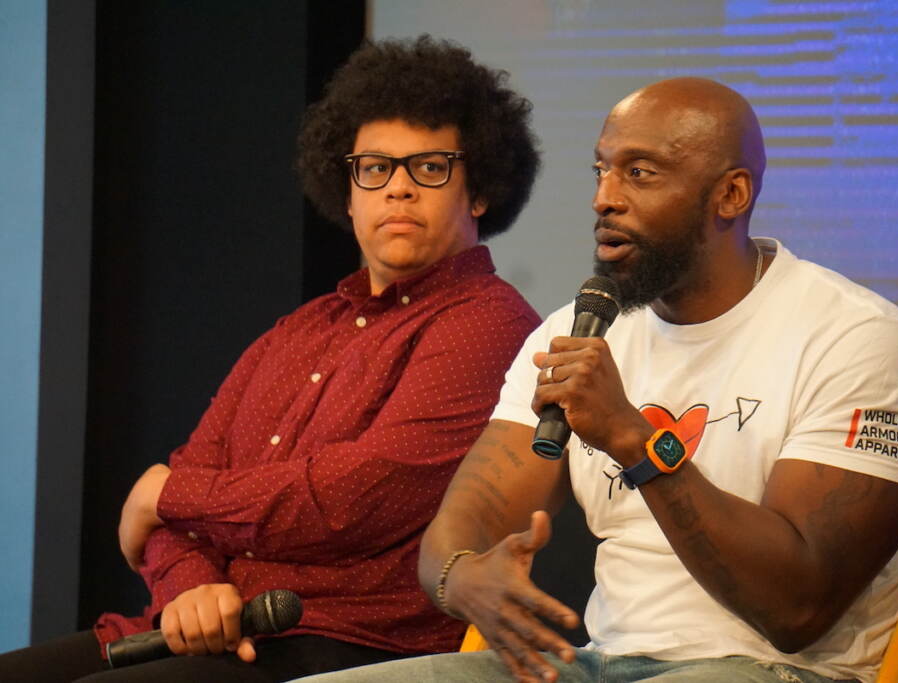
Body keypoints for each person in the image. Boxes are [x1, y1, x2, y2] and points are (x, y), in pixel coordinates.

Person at [293, 77, 898, 683]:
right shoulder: (573, 335)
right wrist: (464, 578)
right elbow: (457, 528)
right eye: (602, 170)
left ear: (731, 194)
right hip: (599, 665)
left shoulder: (859, 340)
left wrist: (636, 440)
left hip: (776, 669)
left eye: (640, 172)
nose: (604, 197)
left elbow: (797, 608)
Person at [0, 35, 541, 682]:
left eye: (429, 167)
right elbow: (177, 502)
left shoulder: (490, 322)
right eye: (374, 168)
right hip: (199, 634)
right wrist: (190, 588)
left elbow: (360, 495)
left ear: (478, 189)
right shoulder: (299, 330)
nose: (398, 188)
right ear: (347, 192)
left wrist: (169, 492)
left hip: (339, 645)